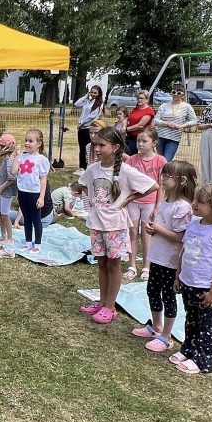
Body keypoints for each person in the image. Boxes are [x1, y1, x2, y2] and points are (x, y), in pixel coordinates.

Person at [78, 127, 158, 325]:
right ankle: (102, 302)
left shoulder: (126, 170)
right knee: (102, 263)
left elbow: (153, 186)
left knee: (113, 265)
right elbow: (83, 184)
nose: (97, 149)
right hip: (97, 223)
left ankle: (110, 306)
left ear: (115, 147)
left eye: (101, 145)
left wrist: (128, 199)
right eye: (95, 145)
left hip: (115, 225)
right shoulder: (93, 169)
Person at [171, 183, 212, 374]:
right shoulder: (193, 224)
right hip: (187, 283)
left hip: (205, 288)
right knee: (191, 319)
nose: (195, 204)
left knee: (206, 325)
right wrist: (178, 276)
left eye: (200, 201)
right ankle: (189, 349)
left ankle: (204, 360)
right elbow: (184, 251)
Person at [132, 160, 197, 353]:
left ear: (182, 180)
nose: (164, 178)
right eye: (164, 174)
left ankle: (167, 336)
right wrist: (153, 230)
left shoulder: (183, 207)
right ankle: (156, 326)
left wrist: (157, 229)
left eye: (169, 176)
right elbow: (162, 228)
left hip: (170, 261)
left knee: (168, 296)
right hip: (157, 256)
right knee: (152, 290)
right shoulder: (165, 202)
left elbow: (180, 237)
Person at [123, 129, 166, 282]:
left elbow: (161, 185)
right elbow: (125, 182)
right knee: (132, 233)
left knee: (147, 235)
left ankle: (147, 267)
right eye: (138, 141)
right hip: (133, 202)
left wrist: (157, 206)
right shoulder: (131, 160)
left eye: (144, 141)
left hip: (150, 203)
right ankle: (132, 265)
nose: (140, 144)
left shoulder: (160, 161)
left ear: (154, 143)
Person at [13, 129, 51, 253]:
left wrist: (41, 197)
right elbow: (13, 171)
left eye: (30, 141)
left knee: (36, 219)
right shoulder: (22, 156)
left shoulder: (42, 160)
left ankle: (38, 244)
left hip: (34, 193)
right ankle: (28, 242)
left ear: (38, 143)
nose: (27, 143)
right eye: (26, 140)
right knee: (27, 218)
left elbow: (43, 180)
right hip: (22, 192)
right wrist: (16, 156)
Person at [153, 84, 197, 161]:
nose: (175, 94)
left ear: (183, 95)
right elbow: (155, 120)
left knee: (166, 161)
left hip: (174, 138)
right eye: (174, 92)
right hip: (160, 136)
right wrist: (167, 123)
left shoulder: (187, 107)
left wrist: (182, 126)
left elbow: (194, 121)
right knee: (158, 160)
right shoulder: (164, 105)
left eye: (178, 93)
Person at [75, 85, 104, 170]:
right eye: (91, 92)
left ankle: (89, 166)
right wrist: (86, 96)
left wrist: (82, 123)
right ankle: (82, 167)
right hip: (82, 128)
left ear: (99, 94)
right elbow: (76, 104)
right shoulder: (87, 101)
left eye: (95, 93)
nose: (93, 94)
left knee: (89, 147)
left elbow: (92, 116)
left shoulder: (99, 104)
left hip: (89, 128)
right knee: (82, 148)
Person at [125, 89, 156, 155]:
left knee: (128, 154)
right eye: (138, 98)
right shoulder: (136, 109)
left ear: (147, 100)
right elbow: (128, 118)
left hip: (140, 138)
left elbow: (140, 125)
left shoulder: (149, 111)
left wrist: (126, 129)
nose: (139, 100)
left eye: (141, 98)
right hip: (130, 136)